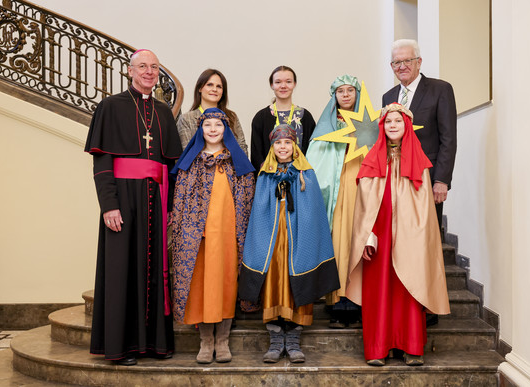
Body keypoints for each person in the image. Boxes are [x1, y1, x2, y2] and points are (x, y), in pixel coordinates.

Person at [85, 49, 182, 366]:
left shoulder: (164, 112)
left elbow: (170, 164)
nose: (149, 72)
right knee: (122, 271)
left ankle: (154, 344)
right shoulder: (110, 106)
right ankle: (122, 347)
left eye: (154, 67)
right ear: (129, 71)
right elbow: (103, 163)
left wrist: (170, 206)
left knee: (154, 269)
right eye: (143, 66)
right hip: (123, 200)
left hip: (156, 197)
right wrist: (108, 205)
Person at [346, 103, 450, 366]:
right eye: (388, 121)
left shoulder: (420, 164)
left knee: (409, 287)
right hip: (378, 238)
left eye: (398, 121)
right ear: (382, 127)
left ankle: (411, 346)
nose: (393, 125)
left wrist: (418, 239)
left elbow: (425, 211)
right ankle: (377, 348)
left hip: (410, 237)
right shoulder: (372, 161)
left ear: (407, 127)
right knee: (378, 291)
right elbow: (362, 207)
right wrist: (366, 236)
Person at [239, 124, 340, 364]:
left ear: (295, 146)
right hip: (272, 244)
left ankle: (293, 340)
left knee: (298, 287)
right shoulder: (264, 175)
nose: (282, 147)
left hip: (298, 241)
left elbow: (313, 213)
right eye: (278, 143)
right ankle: (275, 340)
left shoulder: (307, 174)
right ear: (272, 147)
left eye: (287, 143)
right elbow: (259, 212)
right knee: (274, 284)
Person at [382, 38, 457, 327]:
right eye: (396, 63)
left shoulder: (440, 90)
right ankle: (404, 302)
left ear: (419, 62)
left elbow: (448, 138)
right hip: (396, 185)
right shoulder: (388, 95)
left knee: (427, 243)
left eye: (406, 61)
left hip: (426, 183)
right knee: (401, 243)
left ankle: (428, 304)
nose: (401, 66)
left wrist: (441, 180)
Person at [171, 108, 255, 364]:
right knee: (200, 286)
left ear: (226, 129)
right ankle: (206, 341)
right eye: (207, 125)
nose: (213, 129)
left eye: (218, 125)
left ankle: (223, 340)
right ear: (200, 129)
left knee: (226, 284)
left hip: (229, 233)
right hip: (199, 236)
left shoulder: (235, 160)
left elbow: (247, 197)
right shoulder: (192, 160)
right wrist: (184, 229)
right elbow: (180, 199)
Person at [306, 75, 363, 328]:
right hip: (336, 195)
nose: (346, 95)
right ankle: (338, 305)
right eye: (341, 91)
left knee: (359, 247)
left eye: (350, 90)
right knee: (339, 247)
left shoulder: (368, 125)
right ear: (335, 96)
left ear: (357, 93)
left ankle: (361, 303)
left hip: (362, 190)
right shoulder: (326, 126)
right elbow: (315, 160)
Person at [250, 65, 316, 171]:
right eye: (278, 82)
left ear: (294, 84)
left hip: (300, 179)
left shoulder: (305, 116)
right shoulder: (260, 118)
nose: (283, 86)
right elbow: (256, 155)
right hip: (270, 180)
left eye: (288, 82)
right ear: (272, 85)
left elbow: (313, 152)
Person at [176, 69, 248, 154]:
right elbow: (187, 153)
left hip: (231, 166)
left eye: (219, 86)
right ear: (200, 88)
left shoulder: (231, 116)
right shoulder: (186, 119)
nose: (214, 89)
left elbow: (242, 150)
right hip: (197, 167)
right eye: (209, 85)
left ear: (223, 92)